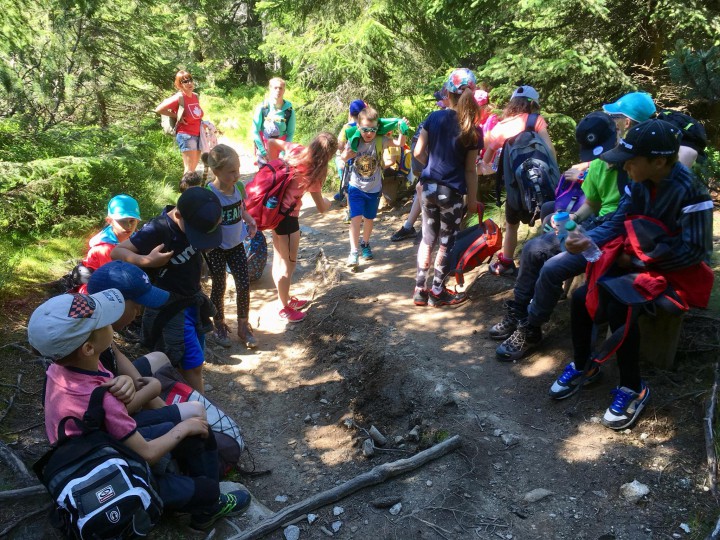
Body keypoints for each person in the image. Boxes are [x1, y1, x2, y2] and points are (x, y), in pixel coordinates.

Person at [28, 289, 251, 531]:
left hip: (92, 446)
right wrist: (184, 428)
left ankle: (184, 479)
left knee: (180, 427)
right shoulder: (105, 398)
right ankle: (207, 508)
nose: (111, 324)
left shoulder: (58, 370)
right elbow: (147, 453)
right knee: (197, 432)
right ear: (88, 348)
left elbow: (101, 407)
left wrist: (125, 381)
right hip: (119, 467)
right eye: (104, 323)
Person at [548, 118, 713, 430]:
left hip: (675, 274)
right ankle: (584, 365)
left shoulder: (693, 195)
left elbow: (695, 252)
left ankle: (633, 387)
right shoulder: (638, 183)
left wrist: (638, 260)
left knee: (619, 306)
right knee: (582, 297)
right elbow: (617, 222)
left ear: (659, 161)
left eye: (630, 161)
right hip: (637, 264)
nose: (624, 167)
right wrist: (585, 238)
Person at [490, 111, 624, 361]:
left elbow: (624, 215)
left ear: (617, 134)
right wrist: (573, 219)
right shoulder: (597, 165)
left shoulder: (630, 166)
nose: (601, 158)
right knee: (532, 249)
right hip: (593, 225)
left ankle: (531, 328)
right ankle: (518, 312)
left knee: (552, 268)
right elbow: (593, 203)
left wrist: (585, 231)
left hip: (613, 233)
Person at [111, 187, 223, 393]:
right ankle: (200, 405)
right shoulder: (157, 229)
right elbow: (117, 252)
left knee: (195, 359)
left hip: (192, 299)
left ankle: (187, 396)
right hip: (170, 307)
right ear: (178, 215)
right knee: (191, 364)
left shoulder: (196, 218)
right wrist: (147, 260)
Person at [87, 261, 206, 423]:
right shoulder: (89, 347)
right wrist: (150, 393)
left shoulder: (102, 325)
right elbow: (105, 414)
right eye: (137, 306)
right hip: (107, 414)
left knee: (160, 357)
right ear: (114, 304)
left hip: (118, 385)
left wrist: (140, 385)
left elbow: (117, 354)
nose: (138, 313)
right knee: (195, 412)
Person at [412, 68, 481, 307]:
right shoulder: (473, 129)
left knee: (427, 239)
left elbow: (418, 152)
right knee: (445, 242)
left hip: (428, 188)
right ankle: (437, 291)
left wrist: (431, 168)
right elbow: (470, 170)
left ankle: (420, 289)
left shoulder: (433, 118)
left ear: (447, 94)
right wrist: (472, 201)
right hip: (451, 193)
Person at [480, 85, 557, 275]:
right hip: (543, 183)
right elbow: (550, 151)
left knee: (512, 226)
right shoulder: (535, 120)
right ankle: (552, 260)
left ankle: (506, 262)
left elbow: (487, 160)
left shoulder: (501, 127)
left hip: (515, 189)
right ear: (532, 105)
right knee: (548, 218)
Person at [265, 133, 338, 323]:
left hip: (274, 213)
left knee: (279, 259)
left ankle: (285, 299)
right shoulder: (315, 172)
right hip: (288, 220)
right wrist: (329, 202)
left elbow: (271, 143)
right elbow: (321, 207)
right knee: (287, 266)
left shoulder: (295, 149)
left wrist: (272, 168)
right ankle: (284, 307)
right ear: (329, 155)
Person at [202, 144, 259, 349]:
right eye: (231, 172)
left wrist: (250, 220)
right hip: (216, 248)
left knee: (243, 284)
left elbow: (241, 209)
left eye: (238, 170)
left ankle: (243, 326)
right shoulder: (209, 194)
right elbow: (202, 221)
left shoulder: (239, 188)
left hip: (236, 245)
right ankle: (219, 324)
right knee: (219, 285)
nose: (237, 175)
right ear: (216, 171)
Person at [340, 107, 405, 267]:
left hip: (374, 188)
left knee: (369, 219)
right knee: (355, 219)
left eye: (373, 130)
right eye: (365, 129)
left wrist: (402, 130)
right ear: (358, 127)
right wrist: (347, 155)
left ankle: (365, 243)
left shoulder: (380, 139)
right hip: (356, 186)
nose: (369, 133)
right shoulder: (355, 140)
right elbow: (343, 157)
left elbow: (400, 144)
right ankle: (353, 251)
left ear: (377, 128)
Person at [390, 87, 449, 243]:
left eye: (441, 101)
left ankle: (418, 227)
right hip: (429, 161)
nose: (439, 104)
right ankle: (418, 227)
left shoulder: (446, 118)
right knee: (422, 188)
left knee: (422, 188)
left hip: (432, 162)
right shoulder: (439, 118)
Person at [75, 194, 141, 294]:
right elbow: (113, 278)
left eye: (132, 221)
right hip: (94, 290)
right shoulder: (105, 248)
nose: (128, 226)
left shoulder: (133, 237)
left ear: (138, 221)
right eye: (122, 221)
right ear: (110, 221)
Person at [155, 70, 204, 173]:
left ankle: (191, 184)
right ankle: (186, 184)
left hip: (198, 135)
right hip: (186, 135)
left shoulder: (195, 96)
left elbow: (196, 115)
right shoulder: (179, 97)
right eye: (185, 81)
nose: (189, 83)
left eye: (190, 80)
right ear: (179, 85)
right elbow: (159, 109)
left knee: (193, 170)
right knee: (189, 170)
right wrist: (177, 116)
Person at [252, 77, 296, 164]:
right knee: (265, 172)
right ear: (270, 89)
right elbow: (255, 131)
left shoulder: (289, 111)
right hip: (264, 149)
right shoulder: (262, 108)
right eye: (275, 88)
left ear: (284, 90)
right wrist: (263, 152)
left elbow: (290, 134)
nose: (278, 90)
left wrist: (283, 153)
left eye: (280, 88)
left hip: (281, 151)